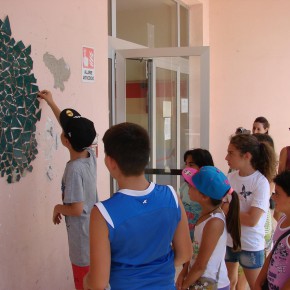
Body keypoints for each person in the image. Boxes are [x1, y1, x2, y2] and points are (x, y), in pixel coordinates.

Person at [84, 122, 192, 290]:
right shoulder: (171, 196)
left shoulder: (103, 213)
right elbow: (185, 253)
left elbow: (98, 283)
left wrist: (86, 281)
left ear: (111, 162)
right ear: (146, 157)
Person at [38, 90, 98, 290]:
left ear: (65, 141)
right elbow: (69, 127)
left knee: (83, 284)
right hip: (93, 237)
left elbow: (76, 209)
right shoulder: (90, 154)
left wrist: (57, 207)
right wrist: (51, 102)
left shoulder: (73, 170)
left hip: (81, 245)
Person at [225, 134, 276, 290]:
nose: (226, 157)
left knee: (256, 286)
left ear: (247, 156)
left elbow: (252, 219)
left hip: (251, 245)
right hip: (230, 241)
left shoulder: (261, 182)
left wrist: (228, 211)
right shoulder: (230, 177)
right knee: (228, 283)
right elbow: (222, 207)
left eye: (231, 153)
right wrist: (227, 210)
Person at [176, 166, 241, 290]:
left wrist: (184, 285)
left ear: (204, 196)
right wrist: (184, 273)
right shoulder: (206, 215)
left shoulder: (214, 222)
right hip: (198, 280)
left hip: (212, 285)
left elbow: (201, 265)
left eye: (191, 186)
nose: (187, 188)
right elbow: (196, 252)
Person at [254, 170, 290, 290]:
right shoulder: (283, 220)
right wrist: (258, 282)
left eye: (277, 194)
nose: (273, 197)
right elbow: (273, 253)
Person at [179, 148, 214, 241]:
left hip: (201, 237)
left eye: (191, 165)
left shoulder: (210, 190)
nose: (186, 168)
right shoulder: (184, 187)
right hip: (185, 235)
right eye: (186, 164)